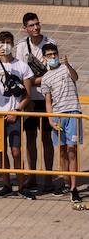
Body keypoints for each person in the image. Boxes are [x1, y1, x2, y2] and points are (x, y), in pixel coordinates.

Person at [0, 30, 35, 199]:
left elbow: (27, 95)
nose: (5, 45)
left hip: (14, 113)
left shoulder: (22, 66)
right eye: (2, 42)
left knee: (15, 151)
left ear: (13, 44)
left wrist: (17, 111)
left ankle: (21, 185)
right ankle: (6, 184)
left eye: (8, 42)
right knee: (1, 151)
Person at [37, 42, 83, 206]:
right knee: (62, 151)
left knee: (72, 150)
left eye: (54, 54)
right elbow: (48, 101)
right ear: (44, 58)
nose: (53, 57)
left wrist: (68, 64)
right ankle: (64, 182)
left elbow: (76, 77)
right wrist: (50, 119)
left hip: (73, 112)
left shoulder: (65, 68)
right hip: (58, 116)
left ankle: (74, 187)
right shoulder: (46, 79)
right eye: (49, 55)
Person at [16, 12, 57, 192]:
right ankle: (32, 176)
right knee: (30, 138)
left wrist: (30, 80)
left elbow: (51, 72)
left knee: (47, 138)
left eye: (37, 24)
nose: (36, 28)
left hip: (46, 98)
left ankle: (48, 178)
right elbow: (17, 73)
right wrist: (28, 88)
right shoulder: (21, 47)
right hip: (29, 100)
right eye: (31, 25)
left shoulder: (50, 43)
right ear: (25, 28)